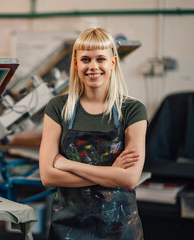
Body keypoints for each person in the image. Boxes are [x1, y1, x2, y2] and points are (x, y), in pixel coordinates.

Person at [39, 28, 147, 240]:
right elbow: (48, 175)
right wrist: (111, 174)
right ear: (76, 63)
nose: (93, 66)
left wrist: (68, 164)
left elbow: (129, 178)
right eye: (86, 59)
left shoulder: (132, 110)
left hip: (119, 228)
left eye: (101, 59)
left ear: (113, 62)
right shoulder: (58, 108)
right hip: (69, 228)